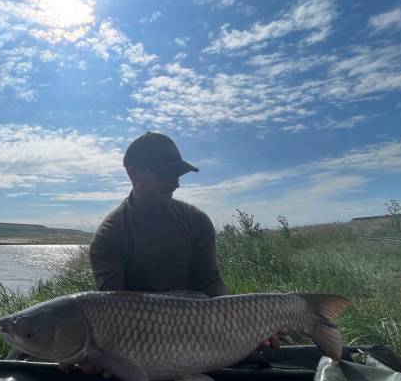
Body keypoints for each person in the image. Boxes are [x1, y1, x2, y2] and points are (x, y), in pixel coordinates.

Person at [89, 132, 284, 354]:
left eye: (178, 173)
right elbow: (110, 313)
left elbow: (211, 282)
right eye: (165, 173)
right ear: (134, 174)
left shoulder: (196, 220)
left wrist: (244, 326)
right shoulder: (109, 237)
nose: (175, 183)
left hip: (205, 335)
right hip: (142, 344)